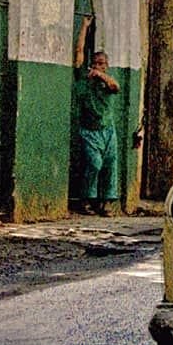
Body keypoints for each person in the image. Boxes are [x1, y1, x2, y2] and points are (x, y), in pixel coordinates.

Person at [73, 15, 120, 216]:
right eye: (95, 63)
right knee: (94, 163)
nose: (98, 66)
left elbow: (114, 87)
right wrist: (84, 27)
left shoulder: (108, 81)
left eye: (102, 63)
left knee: (110, 165)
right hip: (89, 130)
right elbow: (78, 52)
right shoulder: (84, 77)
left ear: (106, 65)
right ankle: (87, 199)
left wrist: (101, 76)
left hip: (107, 129)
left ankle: (107, 202)